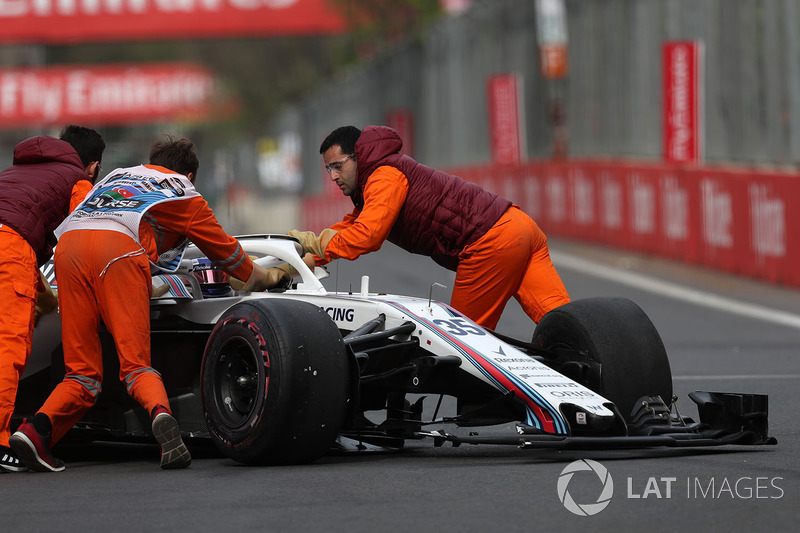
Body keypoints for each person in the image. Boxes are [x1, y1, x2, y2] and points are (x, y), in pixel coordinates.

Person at [10, 136, 286, 472]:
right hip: (118, 253)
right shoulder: (184, 191)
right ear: (191, 175)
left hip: (68, 250)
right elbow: (228, 255)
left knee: (81, 372)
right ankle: (161, 415)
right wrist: (263, 276)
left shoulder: (118, 175)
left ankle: (35, 432)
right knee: (136, 365)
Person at [289, 125, 570, 330]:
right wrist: (291, 265)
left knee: (464, 349)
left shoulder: (383, 176)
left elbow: (367, 237)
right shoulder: (378, 181)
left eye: (337, 166)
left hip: (490, 242)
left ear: (358, 156)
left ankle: (476, 409)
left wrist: (314, 242)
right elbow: (347, 231)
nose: (333, 176)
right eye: (328, 170)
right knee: (569, 328)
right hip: (519, 226)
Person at [0, 125, 105, 473]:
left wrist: (43, 299)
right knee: (8, 348)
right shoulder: (78, 180)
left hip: (10, 246)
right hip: (11, 248)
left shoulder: (16, 171)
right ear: (92, 166)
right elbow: (84, 234)